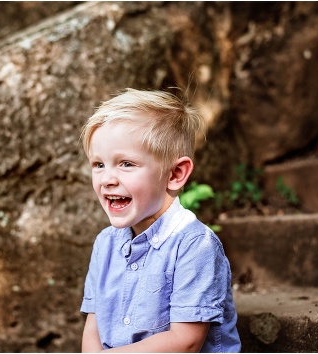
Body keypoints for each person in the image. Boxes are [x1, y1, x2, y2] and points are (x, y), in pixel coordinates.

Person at [78, 88, 241, 352]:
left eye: (126, 164)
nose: (107, 178)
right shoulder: (105, 244)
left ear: (175, 174)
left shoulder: (194, 245)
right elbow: (93, 329)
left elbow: (184, 342)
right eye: (98, 165)